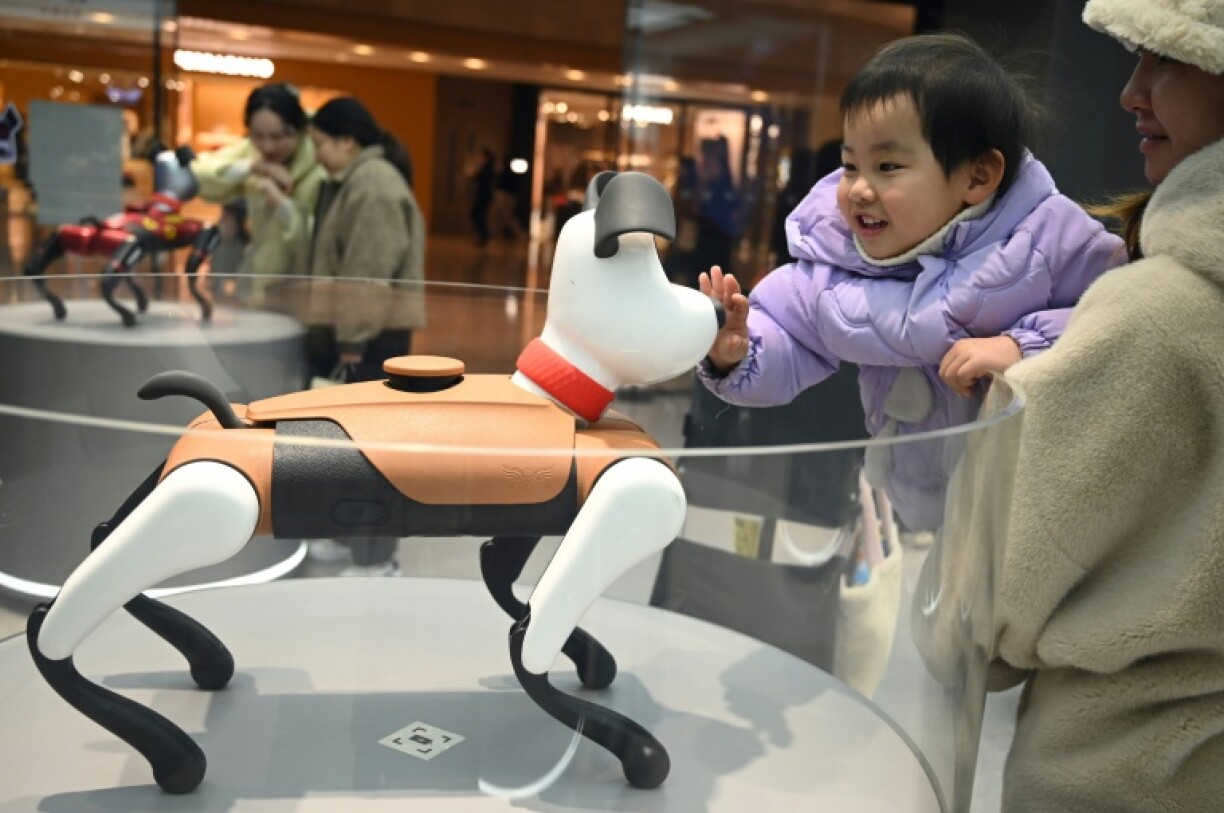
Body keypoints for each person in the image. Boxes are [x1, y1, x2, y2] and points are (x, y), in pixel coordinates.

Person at [922, 3, 1224, 810]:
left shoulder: (1153, 317)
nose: (1131, 92)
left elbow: (980, 612)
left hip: (1121, 784)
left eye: (1167, 61)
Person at [699, 32, 1124, 533]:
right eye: (850, 165)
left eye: (887, 167)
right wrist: (737, 353)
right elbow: (790, 335)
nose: (858, 189)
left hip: (1033, 517)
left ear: (977, 177)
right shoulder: (836, 264)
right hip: (912, 511)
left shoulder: (1046, 240)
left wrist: (1023, 346)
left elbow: (1121, 319)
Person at [304, 95, 427, 577]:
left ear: (347, 141)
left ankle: (377, 557)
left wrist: (351, 337)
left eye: (319, 143)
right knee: (346, 449)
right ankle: (349, 537)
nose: (315, 154)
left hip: (371, 338)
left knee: (368, 452)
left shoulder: (373, 184)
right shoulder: (354, 180)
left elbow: (368, 271)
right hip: (362, 334)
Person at [191, 83, 326, 301]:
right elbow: (201, 176)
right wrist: (251, 167)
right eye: (258, 136)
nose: (268, 147)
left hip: (301, 293)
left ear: (300, 130)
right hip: (257, 284)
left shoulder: (320, 167)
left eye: (278, 137)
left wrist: (282, 204)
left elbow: (316, 244)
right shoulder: (253, 152)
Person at [469, 148, 494, 247]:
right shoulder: (484, 168)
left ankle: (485, 235)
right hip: (482, 195)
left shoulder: (488, 169)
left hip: (484, 196)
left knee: (477, 215)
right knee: (477, 215)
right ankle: (484, 236)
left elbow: (483, 180)